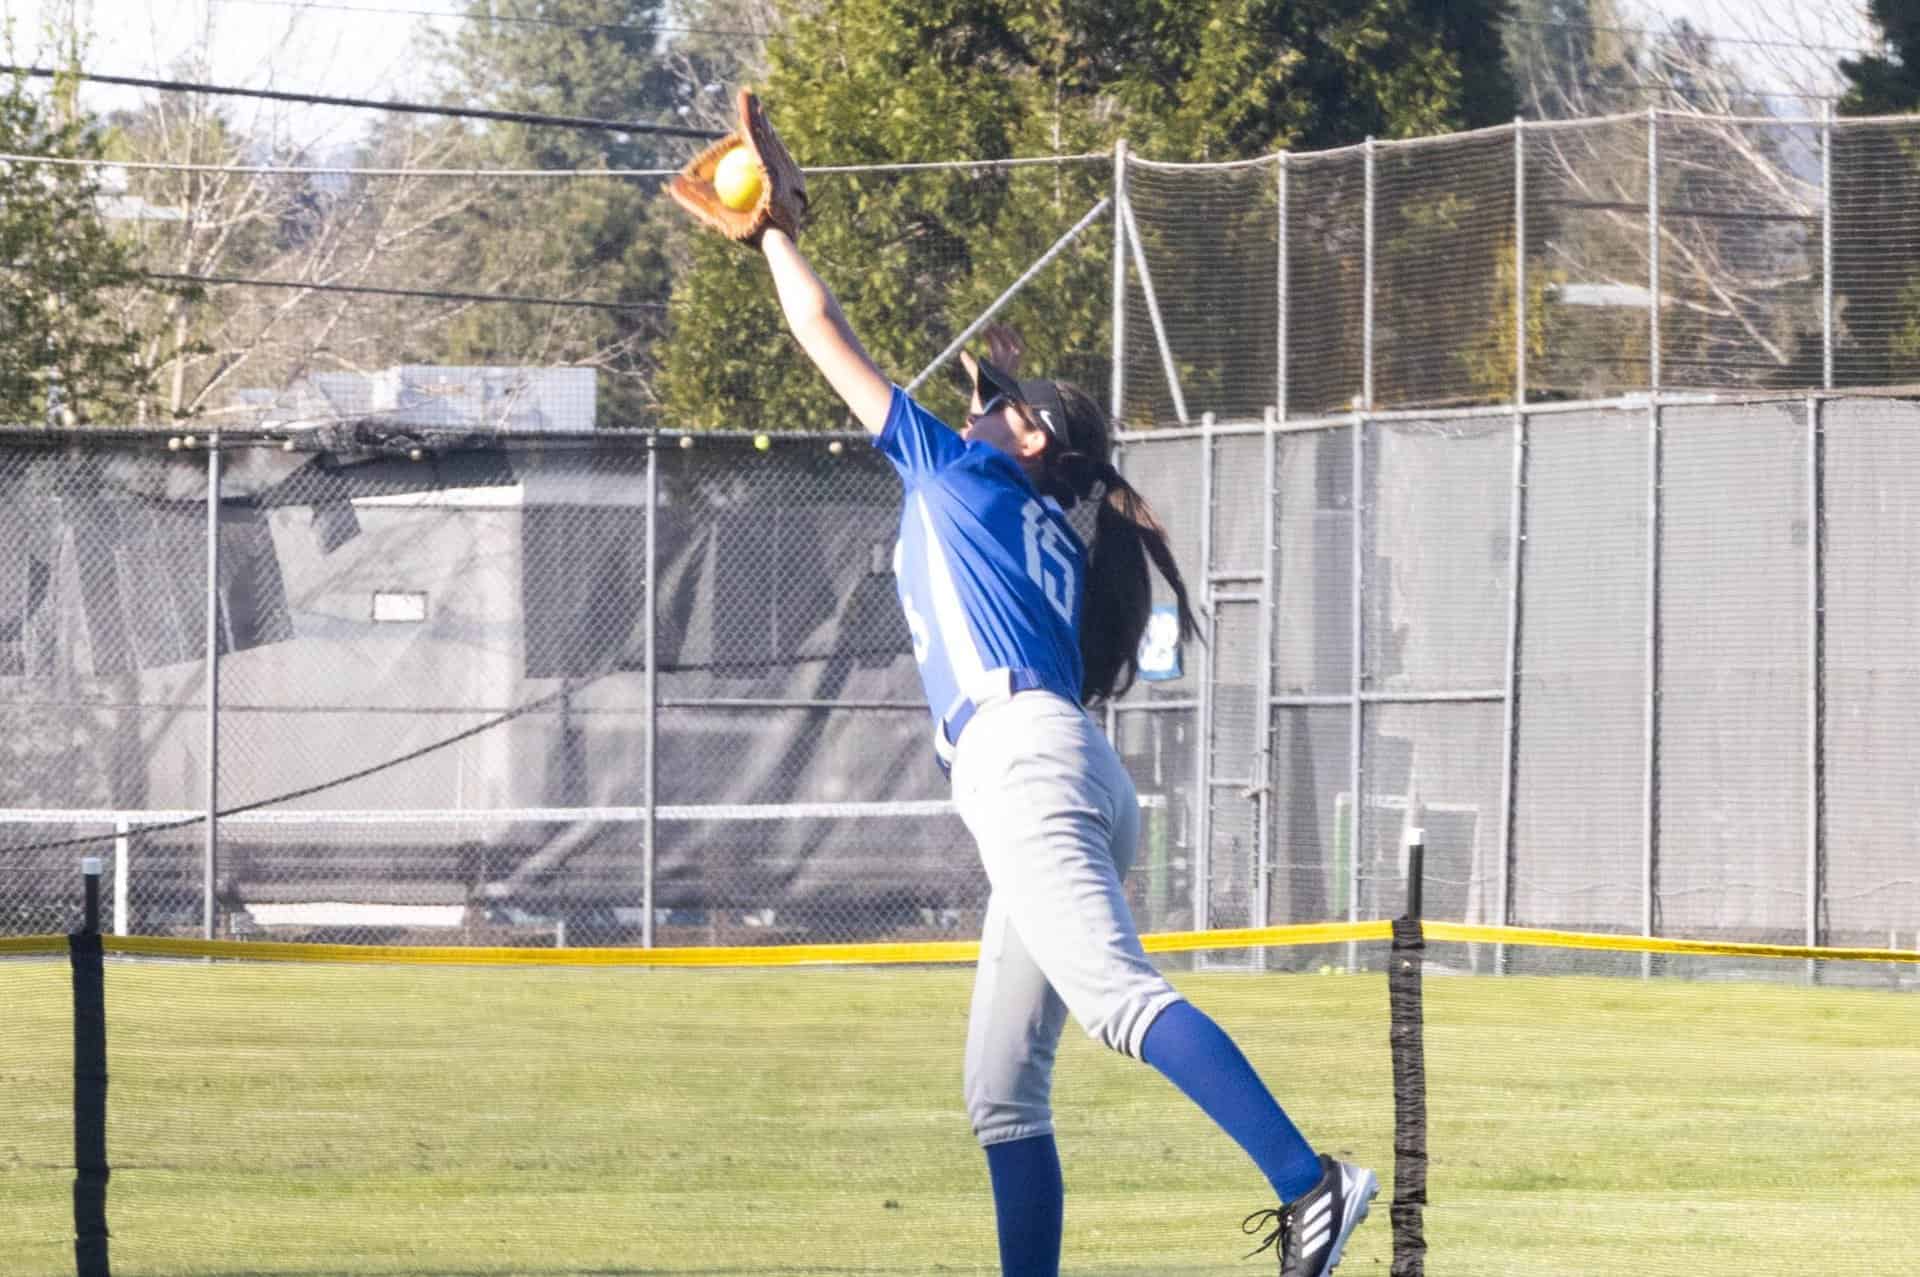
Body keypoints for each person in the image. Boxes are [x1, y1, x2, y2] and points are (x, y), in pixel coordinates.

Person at [754, 224, 1377, 1277]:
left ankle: (1309, 1182)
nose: (971, 409)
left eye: (996, 404)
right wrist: (1000, 386)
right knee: (1002, 1092)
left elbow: (819, 327)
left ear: (1030, 436)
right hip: (1057, 758)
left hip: (1023, 760)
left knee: (1118, 1001)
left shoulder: (962, 473)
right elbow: (1012, 435)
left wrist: (773, 230)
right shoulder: (1023, 504)